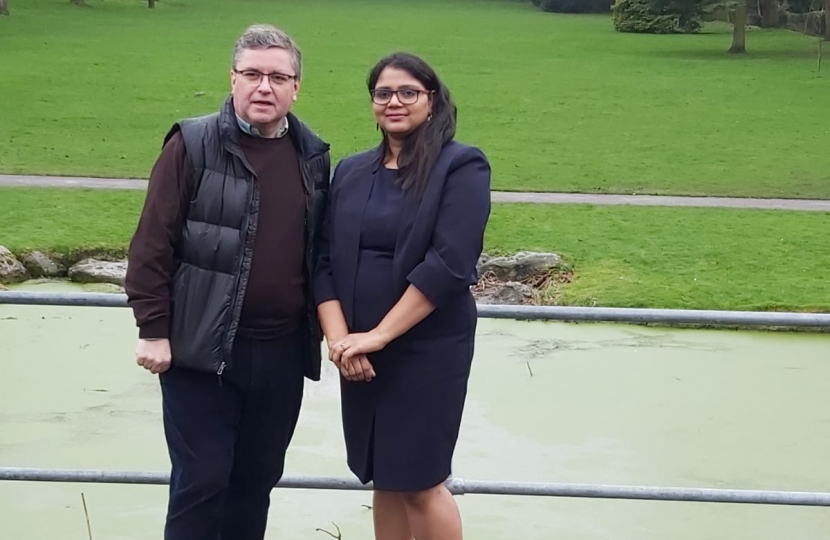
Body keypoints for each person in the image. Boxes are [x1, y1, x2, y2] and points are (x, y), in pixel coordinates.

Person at [123, 24, 331, 540]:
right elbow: (152, 243)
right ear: (232, 79)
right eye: (253, 74)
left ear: (296, 87)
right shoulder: (191, 143)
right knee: (202, 482)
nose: (265, 87)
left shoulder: (312, 155)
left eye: (278, 76)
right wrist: (153, 328)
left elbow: (320, 253)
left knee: (255, 482)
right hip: (202, 350)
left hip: (281, 353)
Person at [314, 51, 491, 540]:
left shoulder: (461, 166)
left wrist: (379, 335)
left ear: (431, 100)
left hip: (426, 349)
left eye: (408, 92)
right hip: (360, 353)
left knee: (420, 481)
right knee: (385, 477)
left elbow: (450, 263)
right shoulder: (350, 172)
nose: (395, 101)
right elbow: (322, 259)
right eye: (383, 92)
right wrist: (341, 340)